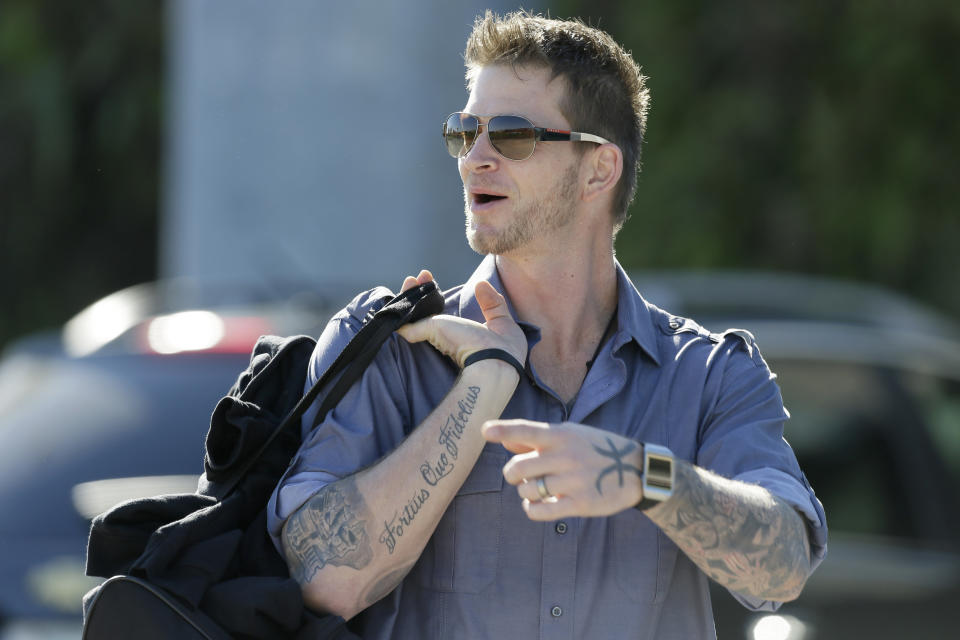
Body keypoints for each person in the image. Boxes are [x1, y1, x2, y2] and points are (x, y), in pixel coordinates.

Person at [267, 10, 827, 639]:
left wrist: (644, 475)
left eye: (510, 134)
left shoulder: (712, 375)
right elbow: (325, 582)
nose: (474, 158)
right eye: (464, 131)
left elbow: (781, 571)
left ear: (599, 169)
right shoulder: (389, 348)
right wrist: (480, 391)